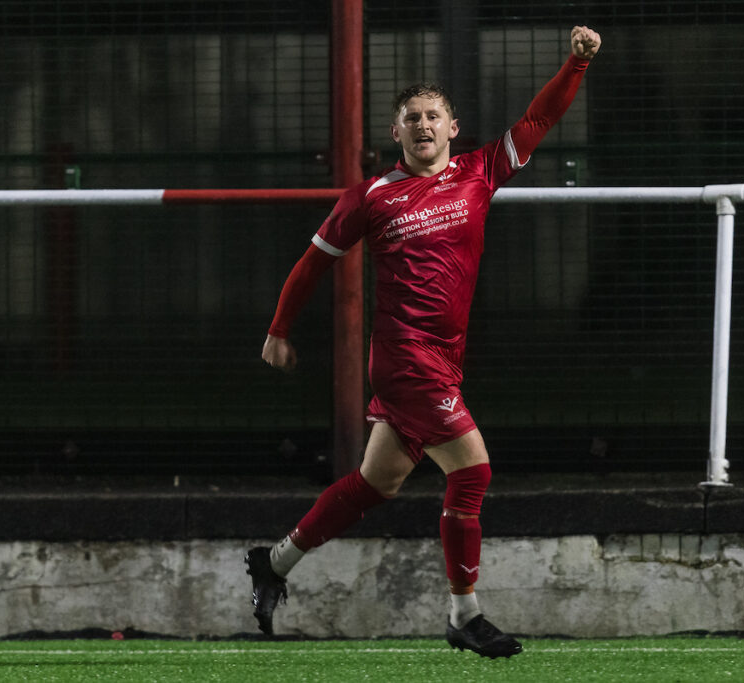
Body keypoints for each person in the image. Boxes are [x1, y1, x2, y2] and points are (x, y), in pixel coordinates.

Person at [248, 25, 601, 658]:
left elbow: (538, 118)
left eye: (432, 115)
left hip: (444, 358)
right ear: (396, 134)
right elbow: (311, 264)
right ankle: (464, 614)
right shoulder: (371, 198)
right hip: (406, 361)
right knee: (474, 472)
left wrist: (574, 64)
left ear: (452, 127)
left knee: (373, 485)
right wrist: (278, 329)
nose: (422, 125)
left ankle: (275, 562)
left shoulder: (481, 172)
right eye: (411, 118)